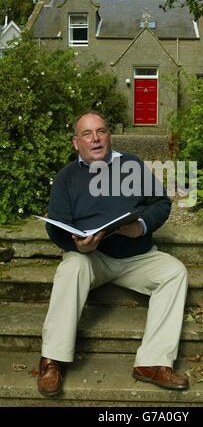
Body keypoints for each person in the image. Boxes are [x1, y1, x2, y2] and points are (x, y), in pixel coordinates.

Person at [37, 110, 189, 397]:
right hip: (93, 258)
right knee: (71, 268)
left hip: (136, 256)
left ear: (109, 135)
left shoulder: (131, 164)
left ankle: (152, 363)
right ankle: (52, 361)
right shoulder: (66, 177)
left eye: (101, 131)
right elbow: (56, 226)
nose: (95, 139)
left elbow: (160, 202)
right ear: (75, 142)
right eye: (87, 134)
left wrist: (142, 226)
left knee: (174, 271)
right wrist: (79, 245)